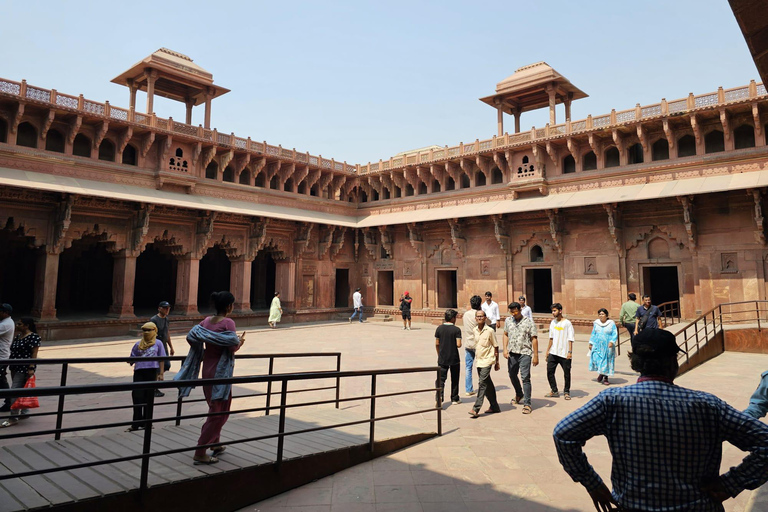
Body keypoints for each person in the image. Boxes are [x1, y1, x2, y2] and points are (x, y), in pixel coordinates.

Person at [553, 328, 768, 511]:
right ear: (673, 362)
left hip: (633, 506)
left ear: (635, 363)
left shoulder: (612, 401)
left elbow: (563, 434)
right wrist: (731, 484)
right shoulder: (708, 406)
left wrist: (592, 483)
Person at [175, 291, 245, 465]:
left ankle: (215, 442)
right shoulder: (229, 322)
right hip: (220, 372)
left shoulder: (206, 321)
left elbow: (193, 336)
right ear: (229, 306)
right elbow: (231, 346)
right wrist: (239, 343)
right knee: (219, 411)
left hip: (207, 369)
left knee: (215, 406)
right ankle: (200, 451)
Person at [0, 317, 40, 428]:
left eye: (20, 324)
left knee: (14, 391)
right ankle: (24, 412)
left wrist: (31, 367)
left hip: (24, 368)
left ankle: (13, 418)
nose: (17, 325)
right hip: (15, 366)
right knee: (22, 389)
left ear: (26, 326)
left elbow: (34, 354)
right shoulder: (18, 336)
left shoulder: (34, 337)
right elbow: (13, 352)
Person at [126, 322, 166, 432]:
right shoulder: (138, 344)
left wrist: (161, 373)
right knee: (137, 396)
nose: (147, 332)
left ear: (155, 331)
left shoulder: (158, 343)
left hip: (151, 372)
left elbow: (161, 358)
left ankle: (147, 422)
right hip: (139, 372)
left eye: (149, 330)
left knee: (148, 397)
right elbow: (132, 358)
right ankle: (136, 423)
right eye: (145, 330)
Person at [503, 301, 539, 414]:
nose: (513, 314)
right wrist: (504, 349)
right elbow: (505, 334)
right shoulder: (508, 321)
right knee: (512, 374)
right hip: (512, 353)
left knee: (525, 378)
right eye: (511, 312)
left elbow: (534, 338)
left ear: (520, 310)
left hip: (525, 352)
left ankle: (527, 403)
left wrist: (536, 356)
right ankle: (519, 393)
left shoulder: (528, 322)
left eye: (515, 311)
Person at [468, 309, 500, 418]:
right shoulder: (475, 330)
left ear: (485, 318)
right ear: (475, 318)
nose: (480, 318)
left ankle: (476, 408)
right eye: (478, 316)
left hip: (488, 360)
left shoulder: (490, 330)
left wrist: (497, 362)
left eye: (482, 316)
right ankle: (494, 406)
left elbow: (496, 346)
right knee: (488, 384)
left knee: (482, 383)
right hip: (479, 360)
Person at [546, 303, 574, 400]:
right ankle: (554, 390)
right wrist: (547, 350)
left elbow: (570, 338)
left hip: (564, 352)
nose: (553, 313)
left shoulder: (567, 323)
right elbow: (551, 338)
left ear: (560, 311)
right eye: (552, 311)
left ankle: (566, 391)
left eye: (555, 311)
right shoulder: (553, 323)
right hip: (554, 352)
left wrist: (570, 351)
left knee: (566, 373)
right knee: (549, 371)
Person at [434, 309, 462, 407]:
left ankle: (439, 397)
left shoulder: (439, 328)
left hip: (442, 357)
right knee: (454, 378)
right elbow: (459, 344)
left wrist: (439, 354)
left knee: (441, 379)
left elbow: (437, 343)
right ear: (453, 318)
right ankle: (454, 398)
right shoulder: (456, 330)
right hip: (454, 357)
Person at [150, 301, 175, 398]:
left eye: (168, 308)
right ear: (159, 308)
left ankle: (154, 382)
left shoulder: (166, 319)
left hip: (163, 346)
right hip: (156, 346)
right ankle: (154, 387)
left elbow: (167, 333)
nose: (167, 310)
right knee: (157, 367)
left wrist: (171, 347)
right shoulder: (154, 320)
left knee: (166, 365)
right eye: (165, 308)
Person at [588, 308, 617, 385]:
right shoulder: (596, 323)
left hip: (608, 345)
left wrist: (612, 341)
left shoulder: (611, 323)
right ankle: (601, 373)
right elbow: (593, 333)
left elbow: (614, 333)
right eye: (600, 314)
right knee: (597, 359)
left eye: (603, 314)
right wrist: (591, 343)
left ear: (606, 315)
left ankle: (605, 378)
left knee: (606, 361)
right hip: (598, 345)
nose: (601, 316)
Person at [462, 295, 483, 396]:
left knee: (468, 367)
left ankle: (468, 389)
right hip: (478, 344)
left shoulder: (465, 314)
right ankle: (483, 387)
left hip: (468, 343)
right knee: (481, 366)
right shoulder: (479, 315)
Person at [0, 303, 14, 413]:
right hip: (3, 356)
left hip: (2, 357)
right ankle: (8, 401)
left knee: (2, 380)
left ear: (6, 313)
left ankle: (9, 401)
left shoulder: (5, 324)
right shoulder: (5, 322)